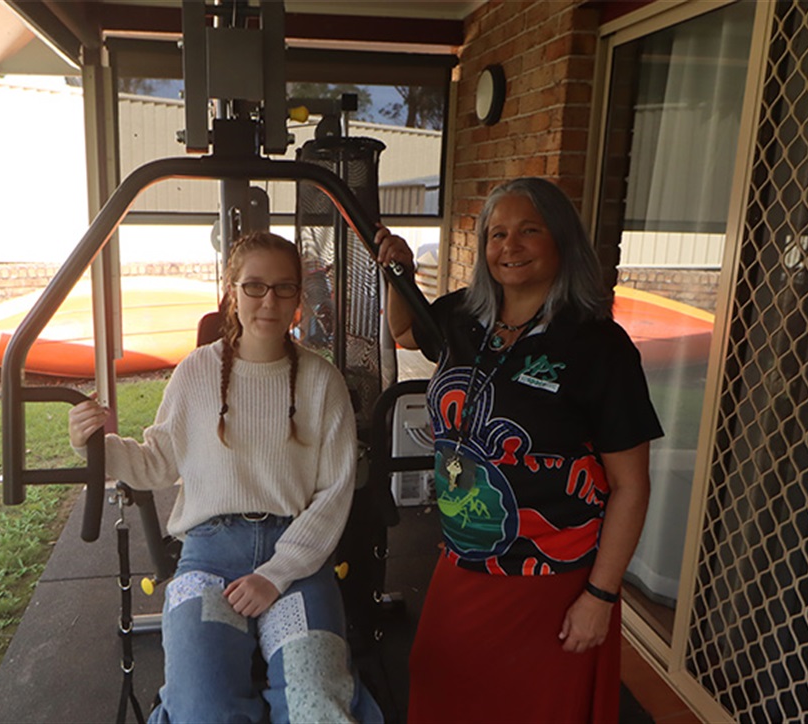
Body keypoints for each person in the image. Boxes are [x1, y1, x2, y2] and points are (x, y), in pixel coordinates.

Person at [375, 178, 662, 723]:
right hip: (466, 555)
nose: (510, 246)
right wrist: (401, 275)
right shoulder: (465, 315)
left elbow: (631, 486)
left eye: (529, 230)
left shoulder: (599, 346)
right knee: (436, 681)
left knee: (532, 708)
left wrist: (599, 598)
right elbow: (407, 334)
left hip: (551, 576)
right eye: (497, 233)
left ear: (561, 240)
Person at [69, 231, 382, 724]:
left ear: (300, 297)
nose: (269, 301)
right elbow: (157, 462)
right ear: (231, 291)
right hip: (209, 558)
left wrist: (274, 575)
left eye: (284, 288)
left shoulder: (323, 383)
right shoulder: (195, 373)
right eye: (254, 286)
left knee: (316, 705)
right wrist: (96, 449)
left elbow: (334, 493)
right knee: (202, 708)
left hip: (295, 563)